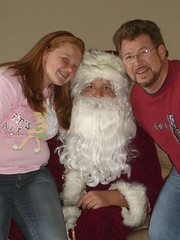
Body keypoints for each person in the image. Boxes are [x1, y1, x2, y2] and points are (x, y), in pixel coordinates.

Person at [58, 50, 164, 240]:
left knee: (102, 219)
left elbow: (155, 188)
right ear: (77, 93)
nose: (98, 94)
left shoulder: (137, 137)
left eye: (107, 87)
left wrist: (115, 197)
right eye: (90, 86)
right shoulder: (59, 135)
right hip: (66, 216)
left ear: (120, 96)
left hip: (111, 215)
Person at [0, 30, 85, 240]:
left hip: (34, 177)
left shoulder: (57, 95)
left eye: (75, 65)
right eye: (66, 59)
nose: (70, 69)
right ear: (45, 52)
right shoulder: (8, 80)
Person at [113, 19, 180, 240]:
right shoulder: (136, 99)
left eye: (143, 52)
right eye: (129, 57)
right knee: (160, 232)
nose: (137, 62)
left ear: (161, 51)